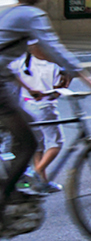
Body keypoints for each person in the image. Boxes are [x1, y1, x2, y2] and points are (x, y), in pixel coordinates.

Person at [0, 0, 91, 209]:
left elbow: (4, 59)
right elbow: (52, 47)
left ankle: (12, 188)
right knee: (28, 142)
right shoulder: (30, 14)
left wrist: (26, 86)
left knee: (20, 131)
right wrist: (87, 79)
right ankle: (5, 197)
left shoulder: (8, 13)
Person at [12, 50, 69, 195]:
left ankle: (42, 182)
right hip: (45, 107)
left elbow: (12, 75)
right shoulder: (55, 65)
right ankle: (36, 174)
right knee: (56, 143)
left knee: (38, 145)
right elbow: (56, 92)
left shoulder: (22, 60)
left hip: (25, 105)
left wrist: (29, 90)